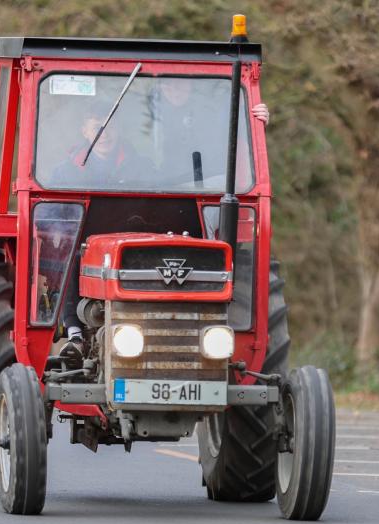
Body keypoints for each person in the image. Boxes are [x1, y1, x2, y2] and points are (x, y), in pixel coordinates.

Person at [56, 96, 270, 360]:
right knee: (70, 253)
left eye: (110, 127)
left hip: (137, 244)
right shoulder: (66, 171)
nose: (105, 134)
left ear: (119, 129)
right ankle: (75, 334)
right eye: (97, 127)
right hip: (88, 245)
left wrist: (253, 126)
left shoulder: (141, 165)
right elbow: (56, 214)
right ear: (85, 131)